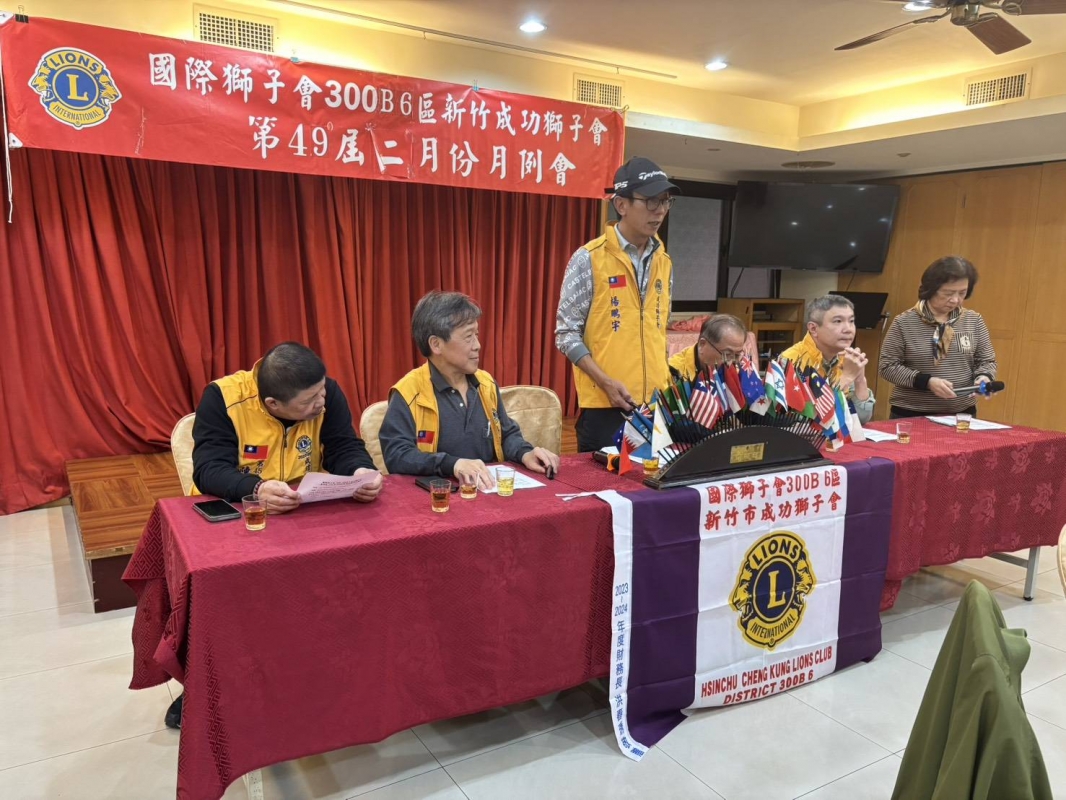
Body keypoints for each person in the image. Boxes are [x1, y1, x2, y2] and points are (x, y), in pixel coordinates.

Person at [168, 342, 383, 729]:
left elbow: (343, 446)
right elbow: (209, 469)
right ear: (272, 404)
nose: (320, 403)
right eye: (309, 402)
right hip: (242, 513)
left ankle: (332, 669)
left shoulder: (325, 391)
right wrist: (256, 488)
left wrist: (360, 471)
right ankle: (204, 685)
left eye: (321, 393)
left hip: (304, 511)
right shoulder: (224, 398)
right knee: (225, 592)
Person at [555, 156, 680, 452]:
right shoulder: (588, 258)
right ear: (621, 204)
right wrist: (606, 383)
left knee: (655, 480)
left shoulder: (664, 262)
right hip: (606, 405)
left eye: (665, 201)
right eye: (651, 201)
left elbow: (659, 330)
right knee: (605, 482)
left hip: (655, 404)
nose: (660, 210)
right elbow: (566, 334)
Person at [380, 291, 560, 489]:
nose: (478, 345)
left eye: (477, 335)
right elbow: (397, 455)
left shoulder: (485, 383)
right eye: (468, 337)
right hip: (439, 497)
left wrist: (525, 453)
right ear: (436, 344)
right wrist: (453, 464)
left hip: (488, 490)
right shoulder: (409, 392)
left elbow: (506, 434)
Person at [879, 256, 997, 418]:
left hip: (962, 414)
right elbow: (887, 367)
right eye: (948, 293)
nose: (955, 300)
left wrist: (983, 377)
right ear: (931, 289)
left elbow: (986, 361)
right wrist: (926, 382)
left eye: (962, 293)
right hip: (911, 413)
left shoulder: (973, 320)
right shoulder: (904, 322)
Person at [779, 295, 876, 423]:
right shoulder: (791, 360)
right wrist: (846, 378)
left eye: (851, 321)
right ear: (813, 329)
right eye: (838, 321)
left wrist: (860, 379)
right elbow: (807, 420)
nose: (848, 329)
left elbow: (861, 417)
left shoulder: (846, 358)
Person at [668, 313, 753, 380]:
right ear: (702, 345)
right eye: (727, 355)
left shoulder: (739, 369)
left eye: (737, 355)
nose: (730, 364)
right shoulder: (672, 374)